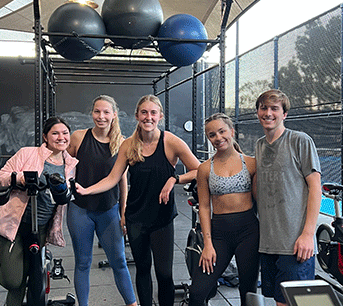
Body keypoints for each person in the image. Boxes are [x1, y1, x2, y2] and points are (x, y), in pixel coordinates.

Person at [76, 94, 200, 306]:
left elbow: (199, 169)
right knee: (142, 269)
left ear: (160, 116)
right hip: (136, 218)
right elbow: (113, 178)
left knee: (164, 274)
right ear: (136, 116)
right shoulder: (128, 145)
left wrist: (174, 179)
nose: (148, 117)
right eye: (144, 112)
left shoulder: (171, 142)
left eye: (153, 113)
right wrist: (87, 191)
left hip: (162, 219)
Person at [0, 117, 78, 306]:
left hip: (41, 228)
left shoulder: (71, 165)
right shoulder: (27, 153)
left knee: (27, 280)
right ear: (45, 136)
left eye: (65, 133)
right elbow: (1, 177)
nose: (61, 137)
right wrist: (21, 179)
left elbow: (66, 195)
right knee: (13, 281)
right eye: (55, 133)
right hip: (14, 225)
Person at [66, 95, 137, 306]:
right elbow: (63, 163)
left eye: (106, 112)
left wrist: (123, 212)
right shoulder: (78, 138)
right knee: (83, 263)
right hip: (80, 210)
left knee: (119, 262)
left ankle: (132, 304)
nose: (101, 116)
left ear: (114, 115)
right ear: (92, 113)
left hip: (108, 210)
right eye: (97, 111)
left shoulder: (122, 143)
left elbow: (123, 181)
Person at [254, 89, 322, 306]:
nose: (268, 113)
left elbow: (315, 188)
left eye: (275, 108)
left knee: (297, 303)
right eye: (264, 107)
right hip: (269, 243)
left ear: (284, 114)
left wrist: (308, 234)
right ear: (258, 112)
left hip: (295, 243)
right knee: (278, 301)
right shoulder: (259, 145)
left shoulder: (299, 140)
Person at [188, 113, 259, 306]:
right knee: (197, 291)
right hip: (219, 235)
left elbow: (261, 199)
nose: (218, 138)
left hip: (249, 232)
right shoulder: (204, 169)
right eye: (212, 135)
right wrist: (207, 245)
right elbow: (203, 207)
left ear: (232, 131)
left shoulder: (251, 163)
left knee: (248, 292)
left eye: (222, 131)